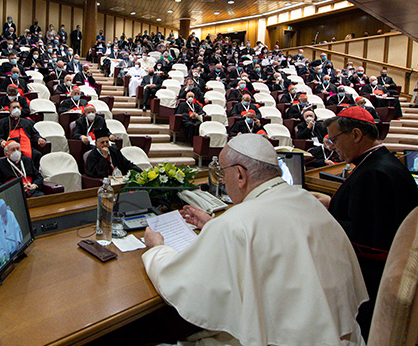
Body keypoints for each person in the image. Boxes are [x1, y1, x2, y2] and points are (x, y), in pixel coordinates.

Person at [142, 134, 367, 346]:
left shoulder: (234, 223)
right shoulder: (307, 201)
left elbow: (181, 282)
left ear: (240, 175)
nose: (224, 179)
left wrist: (157, 249)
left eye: (223, 172)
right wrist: (212, 224)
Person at [314, 106, 418, 338]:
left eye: (335, 139)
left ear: (356, 135)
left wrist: (317, 220)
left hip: (373, 282)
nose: (333, 147)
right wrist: (332, 204)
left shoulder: (374, 173)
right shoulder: (380, 162)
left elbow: (369, 241)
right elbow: (370, 214)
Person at [0, 101, 47, 166]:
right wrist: (1, 141)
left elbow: (34, 134)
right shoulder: (2, 122)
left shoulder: (27, 122)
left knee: (37, 154)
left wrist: (39, 139)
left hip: (27, 146)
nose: (16, 109)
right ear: (9, 110)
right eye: (14, 107)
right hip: (13, 147)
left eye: (18, 107)